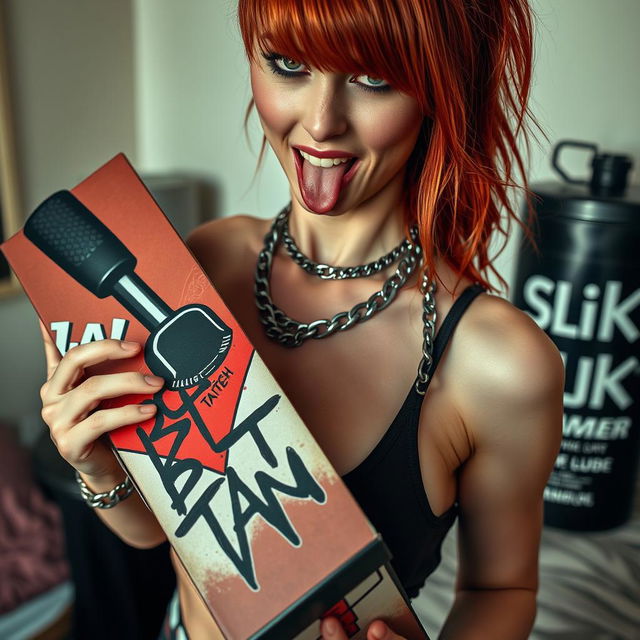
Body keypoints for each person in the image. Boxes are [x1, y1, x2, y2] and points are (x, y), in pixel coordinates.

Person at [38, 0, 564, 638]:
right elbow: (164, 535)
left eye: (374, 79)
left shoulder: (497, 363)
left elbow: (501, 587)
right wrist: (98, 469)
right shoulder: (202, 262)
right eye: (287, 64)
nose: (320, 124)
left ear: (441, 87)